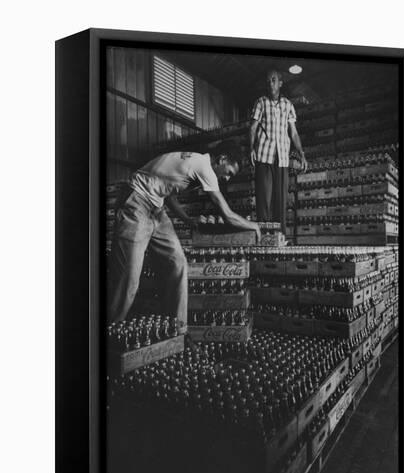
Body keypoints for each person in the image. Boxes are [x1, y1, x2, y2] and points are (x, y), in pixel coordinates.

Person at [107, 141, 261, 330]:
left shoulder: (194, 161)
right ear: (222, 159)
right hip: (136, 202)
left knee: (178, 263)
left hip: (157, 207)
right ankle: (110, 333)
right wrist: (253, 225)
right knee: (129, 279)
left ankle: (178, 330)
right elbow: (227, 215)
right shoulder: (204, 167)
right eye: (228, 172)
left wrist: (187, 220)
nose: (227, 178)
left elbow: (169, 194)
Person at [250, 69, 307, 232]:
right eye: (268, 81)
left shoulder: (288, 105)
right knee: (264, 200)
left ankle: (279, 238)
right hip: (264, 155)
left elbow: (293, 132)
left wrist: (301, 154)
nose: (270, 83)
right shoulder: (260, 102)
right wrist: (251, 149)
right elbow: (253, 127)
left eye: (273, 80)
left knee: (280, 201)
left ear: (280, 83)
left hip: (282, 158)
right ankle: (264, 237)